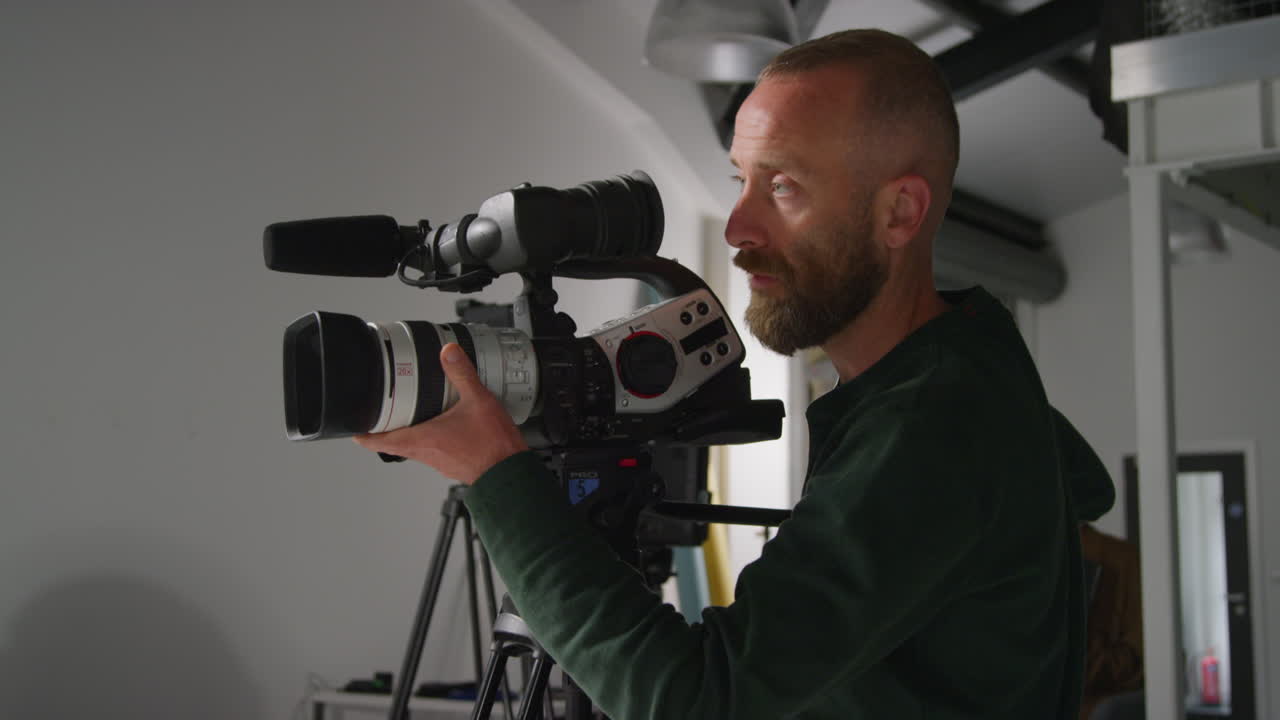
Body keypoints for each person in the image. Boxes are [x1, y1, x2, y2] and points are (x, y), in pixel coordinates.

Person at [355, 29, 1115, 719]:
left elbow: (693, 702)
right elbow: (1082, 485)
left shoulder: (932, 422)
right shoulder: (974, 364)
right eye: (741, 180)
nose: (741, 227)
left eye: (783, 187)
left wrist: (496, 474)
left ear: (899, 214)